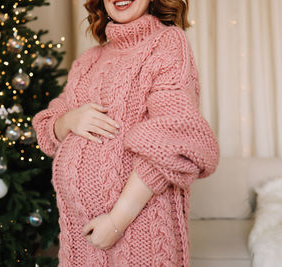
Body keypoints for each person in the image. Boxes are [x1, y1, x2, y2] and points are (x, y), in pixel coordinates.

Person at [32, 0, 220, 266]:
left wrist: (116, 221)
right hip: (80, 238)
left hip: (139, 234)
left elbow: (174, 140)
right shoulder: (89, 59)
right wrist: (69, 120)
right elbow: (46, 126)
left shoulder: (167, 43)